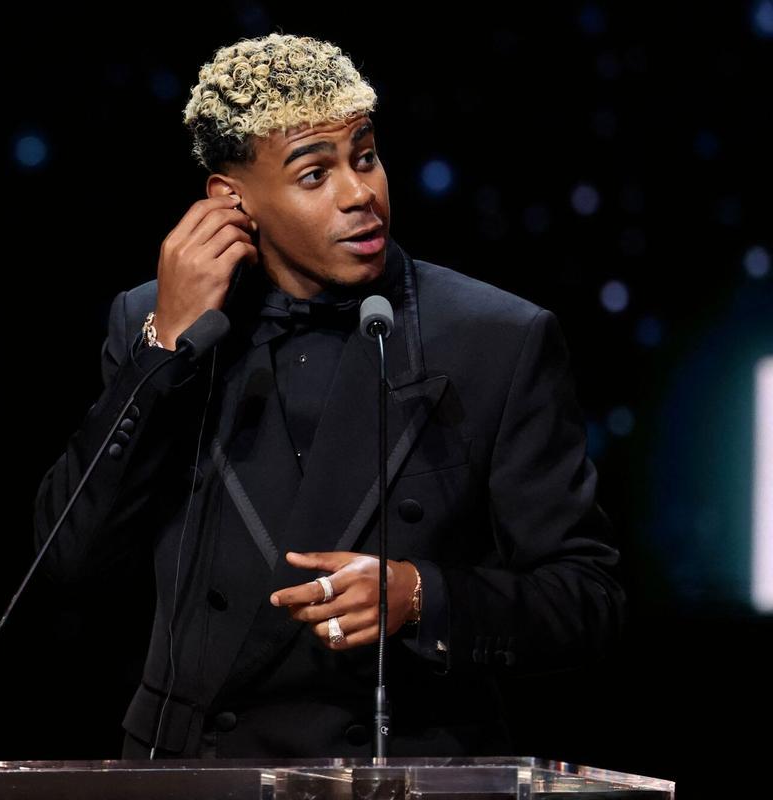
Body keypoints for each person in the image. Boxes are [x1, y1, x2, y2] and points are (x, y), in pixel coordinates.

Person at [34, 32, 625, 759]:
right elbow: (72, 560)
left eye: (366, 156)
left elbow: (587, 600)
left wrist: (421, 596)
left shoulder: (497, 339)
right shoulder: (148, 322)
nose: (360, 194)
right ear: (233, 201)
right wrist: (165, 353)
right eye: (315, 175)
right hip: (191, 771)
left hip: (396, 768)